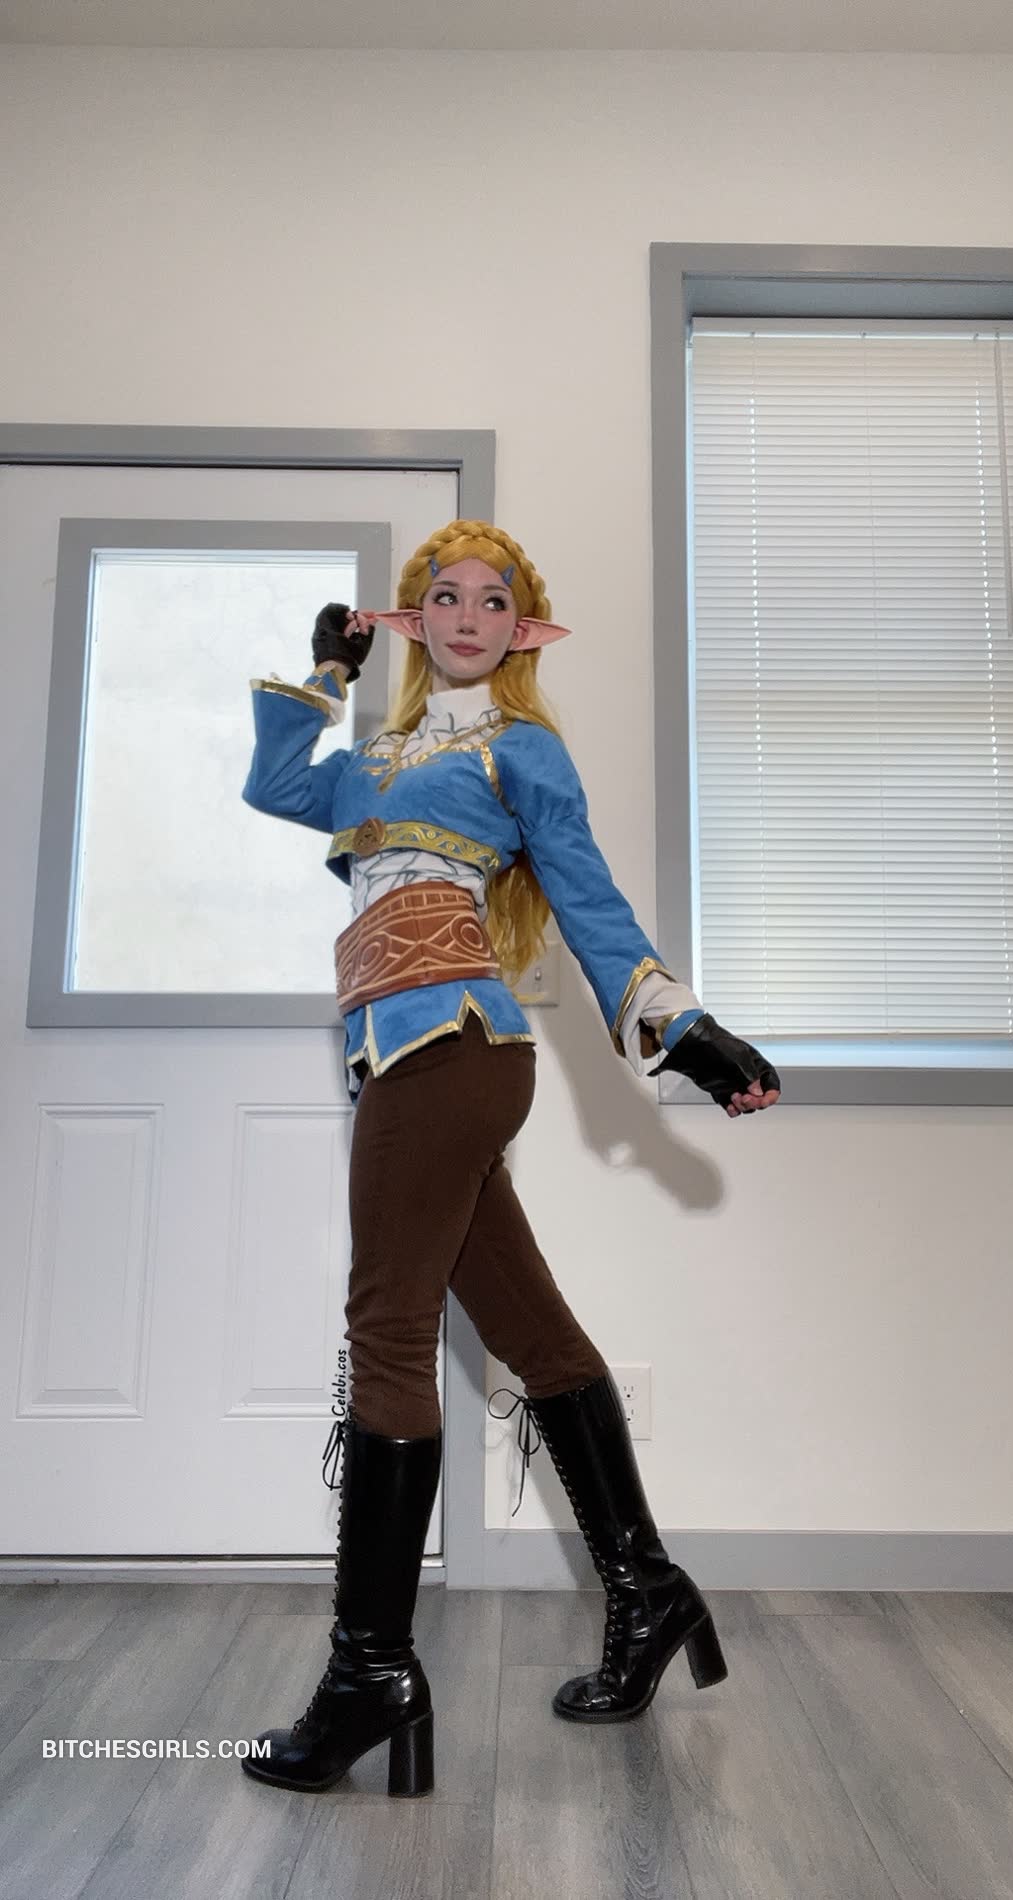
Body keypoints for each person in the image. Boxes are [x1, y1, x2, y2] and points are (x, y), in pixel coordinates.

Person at [238, 519, 780, 1797]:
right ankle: (647, 1587)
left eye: (495, 600)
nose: (469, 616)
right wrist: (325, 671)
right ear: (413, 617)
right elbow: (273, 783)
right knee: (532, 1334)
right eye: (446, 596)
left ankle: (370, 1672)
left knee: (386, 1332)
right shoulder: (371, 760)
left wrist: (683, 1028)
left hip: (453, 1048)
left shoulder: (519, 747)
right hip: (405, 1056)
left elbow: (585, 894)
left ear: (523, 628)